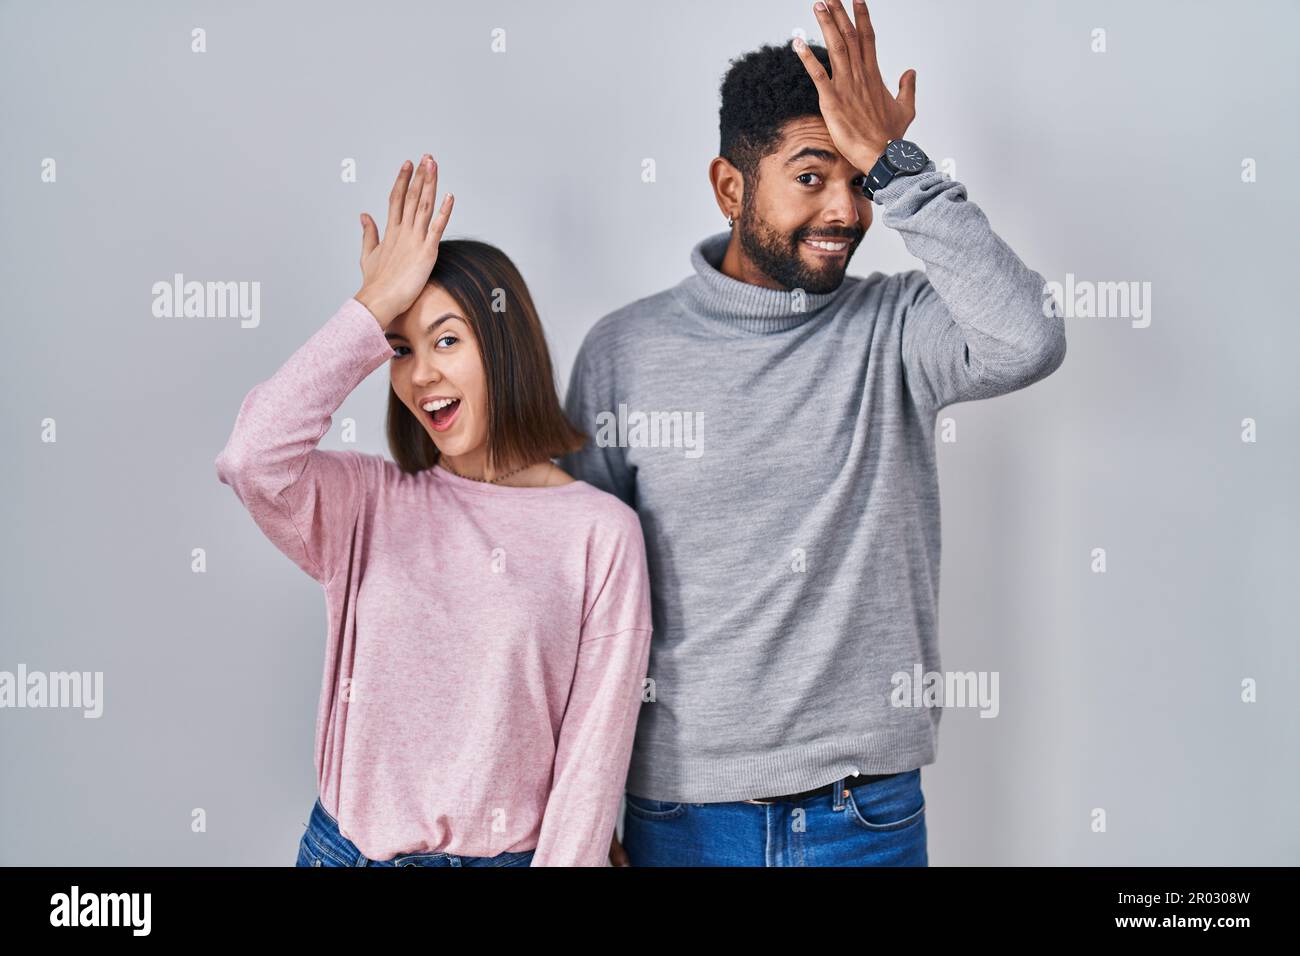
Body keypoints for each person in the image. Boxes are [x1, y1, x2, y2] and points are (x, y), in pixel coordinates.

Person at [560, 1, 1067, 866]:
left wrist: (898, 168)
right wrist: (578, 814)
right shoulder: (626, 351)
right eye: (810, 176)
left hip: (862, 815)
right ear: (730, 187)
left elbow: (1029, 337)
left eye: (856, 180)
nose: (845, 210)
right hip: (680, 816)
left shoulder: (900, 327)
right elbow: (575, 598)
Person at [215, 154, 653, 867]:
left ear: (503, 346)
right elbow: (250, 457)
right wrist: (370, 307)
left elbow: (590, 768)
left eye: (447, 339)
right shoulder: (367, 503)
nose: (421, 375)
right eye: (400, 348)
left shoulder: (600, 534)